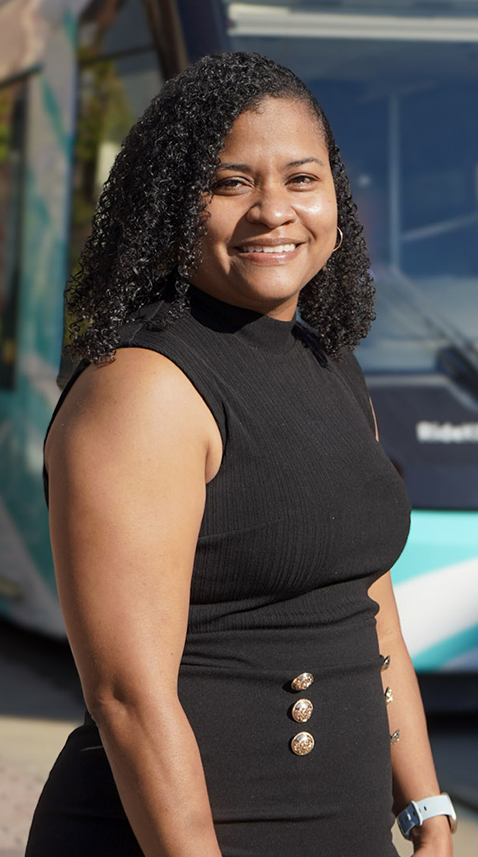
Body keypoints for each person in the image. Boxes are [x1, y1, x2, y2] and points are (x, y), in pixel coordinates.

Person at [26, 52, 455, 857]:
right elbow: (127, 695)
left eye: (302, 179)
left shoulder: (329, 361)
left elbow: (370, 614)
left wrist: (425, 802)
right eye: (230, 183)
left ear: (335, 197)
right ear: (172, 204)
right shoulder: (144, 385)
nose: (274, 211)